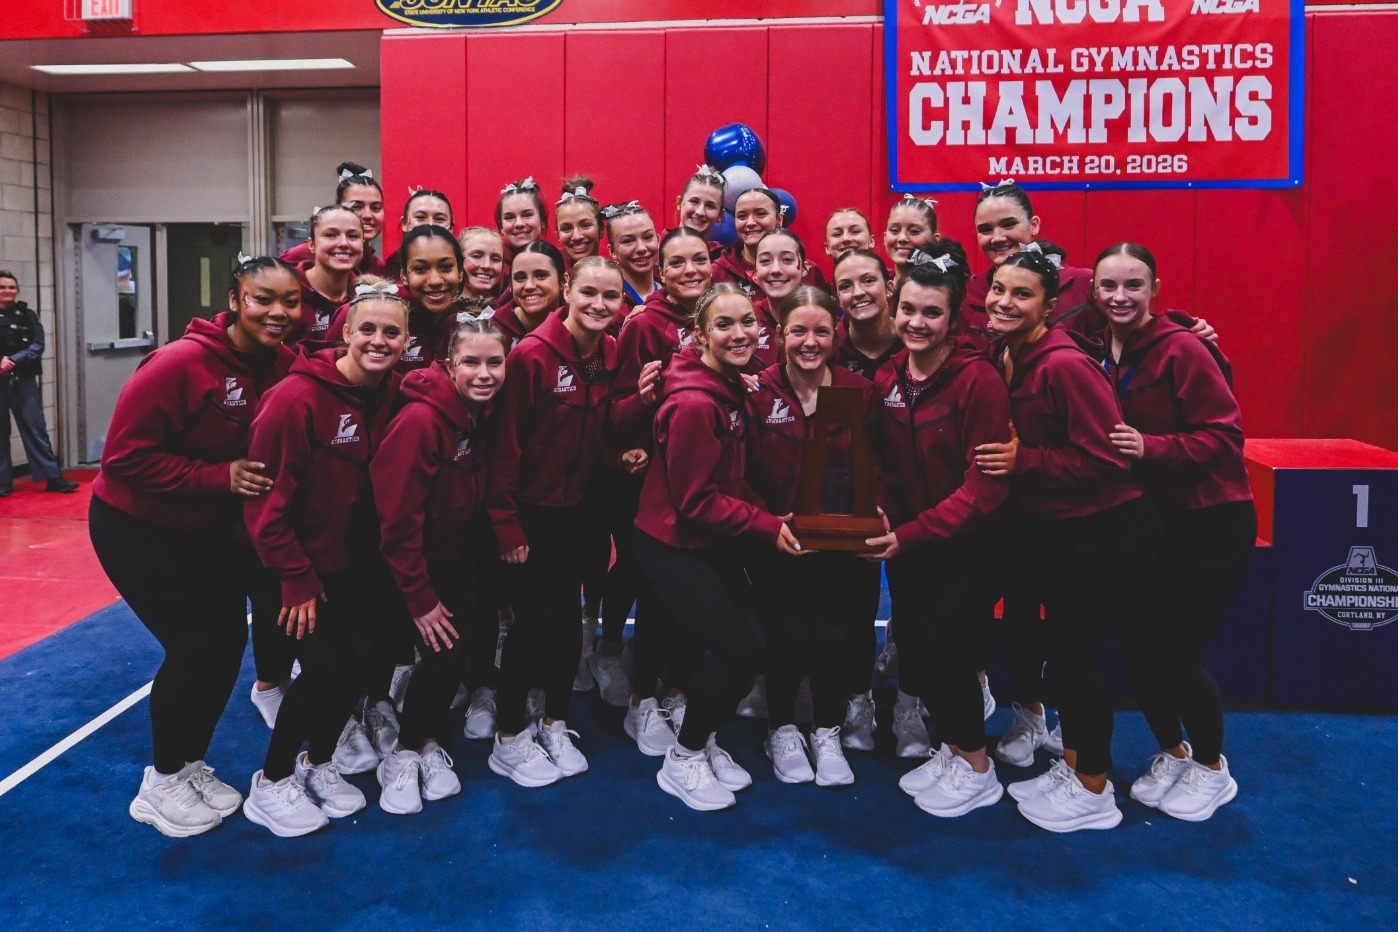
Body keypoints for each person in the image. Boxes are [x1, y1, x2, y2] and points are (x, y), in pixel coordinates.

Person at [88, 255, 302, 836]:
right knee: (195, 644)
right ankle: (159, 784)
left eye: (289, 301)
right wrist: (218, 476)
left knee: (228, 644)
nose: (277, 312)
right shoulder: (179, 363)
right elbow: (122, 459)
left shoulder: (286, 364)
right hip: (138, 523)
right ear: (234, 300)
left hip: (211, 529)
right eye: (262, 299)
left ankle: (188, 765)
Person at [975, 249, 1162, 833]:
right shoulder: (1008, 352)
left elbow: (1108, 457)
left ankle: (1093, 789)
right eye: (999, 289)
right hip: (1069, 526)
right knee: (1065, 649)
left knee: (1078, 653)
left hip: (1113, 524)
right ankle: (1076, 764)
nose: (1005, 302)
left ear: (1049, 306)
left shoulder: (1064, 364)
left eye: (1022, 294)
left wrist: (1024, 461)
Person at [1095, 243, 1255, 822]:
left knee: (1177, 653)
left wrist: (1150, 447)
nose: (1120, 296)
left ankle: (1212, 767)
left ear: (1155, 289)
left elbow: (1225, 437)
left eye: (1133, 285)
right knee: (1139, 646)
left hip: (1212, 519)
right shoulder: (1096, 347)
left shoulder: (1184, 348)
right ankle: (1173, 751)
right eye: (1109, 285)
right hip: (1149, 521)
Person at [242, 278, 407, 837]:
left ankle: (318, 762)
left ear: (406, 342)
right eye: (368, 329)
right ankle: (271, 781)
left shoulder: (391, 391)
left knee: (359, 664)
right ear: (345, 332)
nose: (379, 340)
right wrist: (294, 577)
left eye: (392, 332)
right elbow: (265, 504)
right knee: (326, 666)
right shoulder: (296, 397)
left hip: (348, 562)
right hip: (288, 564)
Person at [634, 283, 803, 811]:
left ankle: (701, 739)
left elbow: (727, 478)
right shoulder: (693, 402)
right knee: (736, 652)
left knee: (751, 645)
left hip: (706, 538)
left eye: (747, 322)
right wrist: (765, 525)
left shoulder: (728, 383)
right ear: (701, 334)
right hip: (672, 541)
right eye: (723, 325)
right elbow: (694, 501)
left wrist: (769, 515)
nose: (739, 333)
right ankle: (683, 758)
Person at [862, 259, 1013, 817]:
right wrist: (881, 508)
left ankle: (977, 766)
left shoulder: (978, 380)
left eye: (932, 313)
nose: (917, 322)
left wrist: (911, 533)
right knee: (921, 646)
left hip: (973, 540)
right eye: (908, 309)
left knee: (946, 643)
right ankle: (953, 748)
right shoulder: (888, 376)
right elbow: (885, 464)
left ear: (952, 320)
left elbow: (984, 489)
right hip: (914, 541)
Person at [485, 256, 623, 787]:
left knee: (566, 620)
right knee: (535, 618)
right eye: (589, 292)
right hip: (524, 511)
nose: (598, 305)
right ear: (567, 290)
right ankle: (509, 735)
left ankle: (554, 722)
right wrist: (505, 523)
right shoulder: (531, 355)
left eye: (610, 296)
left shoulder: (609, 351)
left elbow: (599, 429)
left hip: (574, 511)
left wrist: (621, 453)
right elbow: (504, 444)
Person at [371, 317, 508, 814]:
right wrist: (419, 596)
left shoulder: (479, 412)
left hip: (453, 554)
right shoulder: (420, 421)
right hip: (404, 563)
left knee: (457, 652)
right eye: (471, 362)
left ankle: (426, 740)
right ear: (449, 366)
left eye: (495, 362)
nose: (484, 373)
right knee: (443, 654)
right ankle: (403, 753)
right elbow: (396, 521)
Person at [742, 286, 877, 787]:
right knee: (788, 634)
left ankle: (826, 730)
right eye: (798, 331)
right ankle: (781, 728)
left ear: (836, 335)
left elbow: (879, 464)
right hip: (777, 540)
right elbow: (739, 471)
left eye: (821, 331)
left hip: (840, 543)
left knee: (835, 636)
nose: (810, 341)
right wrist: (765, 522)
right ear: (779, 335)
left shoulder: (859, 392)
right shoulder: (756, 390)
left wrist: (876, 512)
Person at [601, 227, 711, 733]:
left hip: (707, 482)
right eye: (678, 263)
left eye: (699, 259)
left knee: (698, 590)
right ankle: (641, 697)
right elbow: (616, 413)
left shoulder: (723, 314)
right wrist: (644, 406)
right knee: (654, 590)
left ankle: (679, 688)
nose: (691, 270)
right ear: (661, 273)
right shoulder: (645, 324)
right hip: (649, 483)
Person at [0, 270, 77, 495]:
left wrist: (13, 360)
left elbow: (38, 344)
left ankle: (53, 478)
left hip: (22, 380)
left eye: (11, 287)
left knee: (36, 430)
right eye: (2, 287)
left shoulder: (27, 315)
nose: (7, 291)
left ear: (17, 290)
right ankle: (3, 482)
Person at [280, 162, 391, 277]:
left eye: (376, 208)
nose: (368, 215)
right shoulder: (304, 253)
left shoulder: (376, 266)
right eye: (356, 206)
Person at [289, 205, 363, 346]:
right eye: (330, 235)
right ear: (312, 244)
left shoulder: (370, 295)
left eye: (353, 236)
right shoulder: (286, 291)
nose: (343, 243)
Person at [603, 201, 660, 310]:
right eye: (628, 241)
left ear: (658, 240)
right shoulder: (605, 302)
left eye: (648, 237)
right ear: (612, 251)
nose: (641, 248)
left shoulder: (673, 291)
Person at [883, 194, 939, 280]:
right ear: (884, 237)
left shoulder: (951, 285)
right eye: (894, 230)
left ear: (935, 240)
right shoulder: (877, 284)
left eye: (914, 231)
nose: (902, 238)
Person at [555, 176, 603, 266]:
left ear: (601, 229)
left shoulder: (616, 274)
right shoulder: (551, 275)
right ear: (558, 235)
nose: (577, 237)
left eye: (585, 225)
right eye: (566, 229)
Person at [458, 226, 506, 303]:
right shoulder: (441, 307)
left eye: (495, 259)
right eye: (476, 256)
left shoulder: (508, 308)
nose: (487, 265)